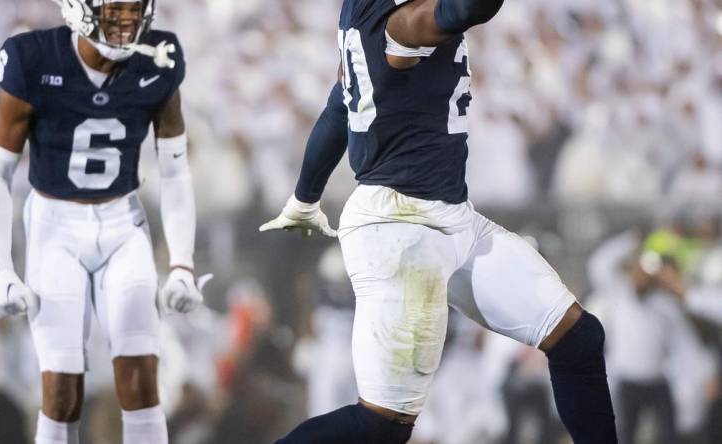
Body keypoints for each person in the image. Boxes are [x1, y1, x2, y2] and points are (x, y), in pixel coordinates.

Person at [260, 0, 617, 443]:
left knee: (577, 338)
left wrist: (304, 197)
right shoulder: (402, 24)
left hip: (450, 219)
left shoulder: (369, 15)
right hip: (401, 229)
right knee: (382, 425)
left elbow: (339, 108)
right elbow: (468, 8)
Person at [0, 1, 207, 442]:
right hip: (54, 226)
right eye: (113, 9)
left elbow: (175, 170)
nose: (125, 20)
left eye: (133, 8)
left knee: (143, 380)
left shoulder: (159, 58)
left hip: (124, 222)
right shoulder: (33, 59)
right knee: (61, 390)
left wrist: (182, 263)